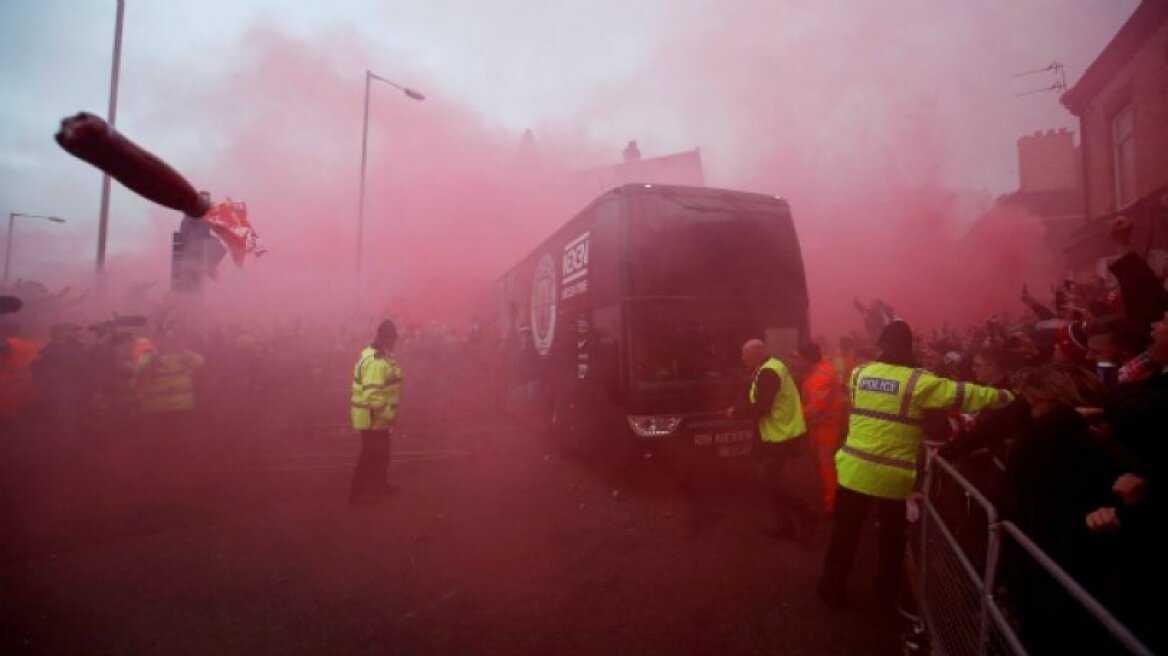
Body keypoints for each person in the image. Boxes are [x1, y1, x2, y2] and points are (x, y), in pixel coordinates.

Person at [818, 320, 1012, 611]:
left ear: (881, 346)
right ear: (909, 348)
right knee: (892, 542)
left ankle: (831, 591)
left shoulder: (859, 374)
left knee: (844, 535)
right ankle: (884, 597)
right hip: (893, 477)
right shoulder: (920, 381)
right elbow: (965, 395)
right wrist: (1008, 396)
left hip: (854, 469)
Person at [728, 339, 814, 541]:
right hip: (773, 433)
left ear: (757, 353)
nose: (742, 358)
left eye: (745, 354)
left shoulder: (768, 371)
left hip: (780, 435)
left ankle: (805, 514)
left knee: (768, 479)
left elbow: (763, 406)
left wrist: (736, 412)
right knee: (767, 479)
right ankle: (784, 526)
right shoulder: (769, 367)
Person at [349, 319, 403, 504]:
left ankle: (379, 486)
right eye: (393, 339)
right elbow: (372, 394)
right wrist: (389, 414)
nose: (395, 342)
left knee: (381, 453)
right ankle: (358, 495)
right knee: (370, 455)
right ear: (386, 338)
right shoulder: (376, 361)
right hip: (372, 416)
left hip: (376, 416)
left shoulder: (376, 354)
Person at [796, 342, 846, 514]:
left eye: (800, 358)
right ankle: (830, 499)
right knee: (823, 466)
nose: (798, 362)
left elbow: (814, 408)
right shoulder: (816, 371)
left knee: (827, 467)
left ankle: (832, 505)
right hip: (820, 427)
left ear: (807, 359)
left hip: (827, 428)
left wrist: (793, 415)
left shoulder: (821, 376)